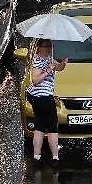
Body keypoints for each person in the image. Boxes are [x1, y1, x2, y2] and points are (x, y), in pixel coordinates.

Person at [27, 38, 68, 169]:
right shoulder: (38, 60)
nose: (49, 48)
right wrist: (48, 71)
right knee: (52, 128)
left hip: (40, 98)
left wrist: (63, 63)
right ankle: (55, 158)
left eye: (50, 45)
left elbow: (59, 67)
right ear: (39, 47)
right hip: (43, 97)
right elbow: (35, 80)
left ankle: (36, 157)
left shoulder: (49, 59)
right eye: (46, 46)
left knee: (39, 127)